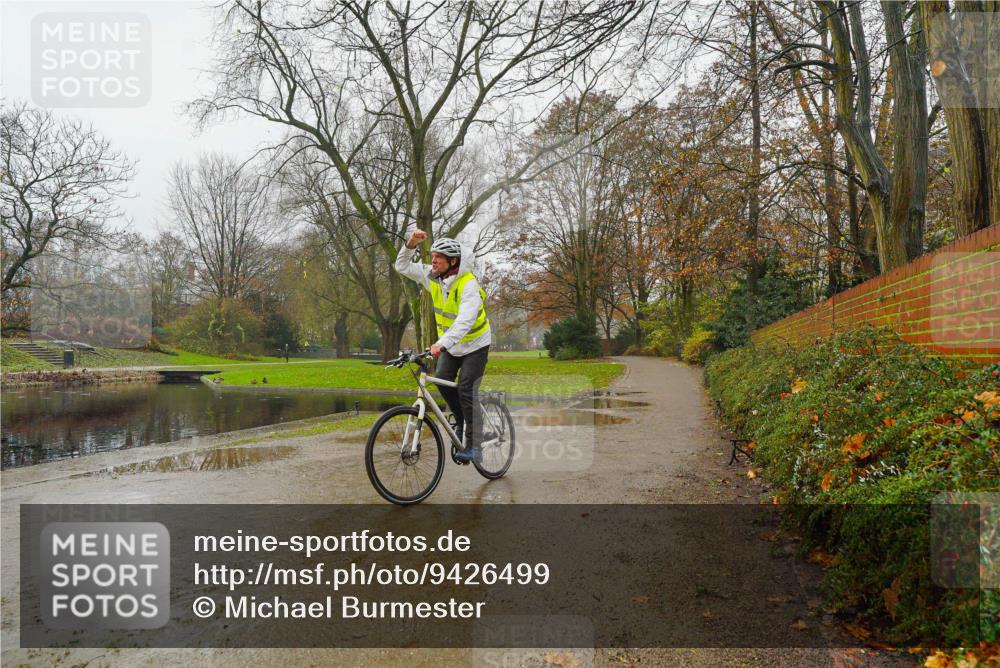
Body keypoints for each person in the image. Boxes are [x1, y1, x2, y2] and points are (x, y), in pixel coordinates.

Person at [395, 229, 490, 463]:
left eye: (438, 257)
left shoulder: (468, 285)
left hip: (475, 345)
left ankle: (475, 446)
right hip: (451, 346)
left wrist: (440, 344)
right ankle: (461, 420)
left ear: (453, 262)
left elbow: (465, 322)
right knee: (444, 382)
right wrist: (411, 244)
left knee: (466, 389)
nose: (432, 261)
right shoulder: (433, 277)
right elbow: (402, 267)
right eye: (433, 256)